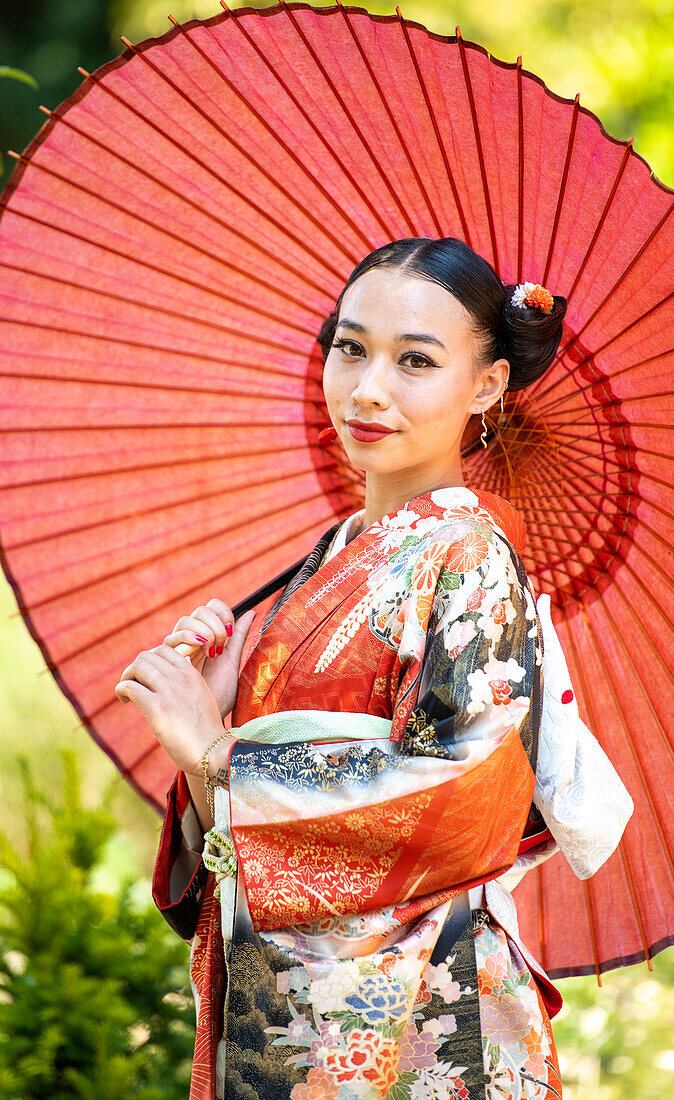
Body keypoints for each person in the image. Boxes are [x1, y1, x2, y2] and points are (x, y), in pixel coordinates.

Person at [115, 237, 632, 1100]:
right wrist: (214, 716)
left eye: (415, 361)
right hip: (279, 1003)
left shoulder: (467, 557)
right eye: (349, 347)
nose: (366, 388)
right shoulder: (329, 556)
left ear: (488, 385)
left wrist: (217, 754)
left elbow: (458, 801)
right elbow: (237, 837)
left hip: (415, 1017)